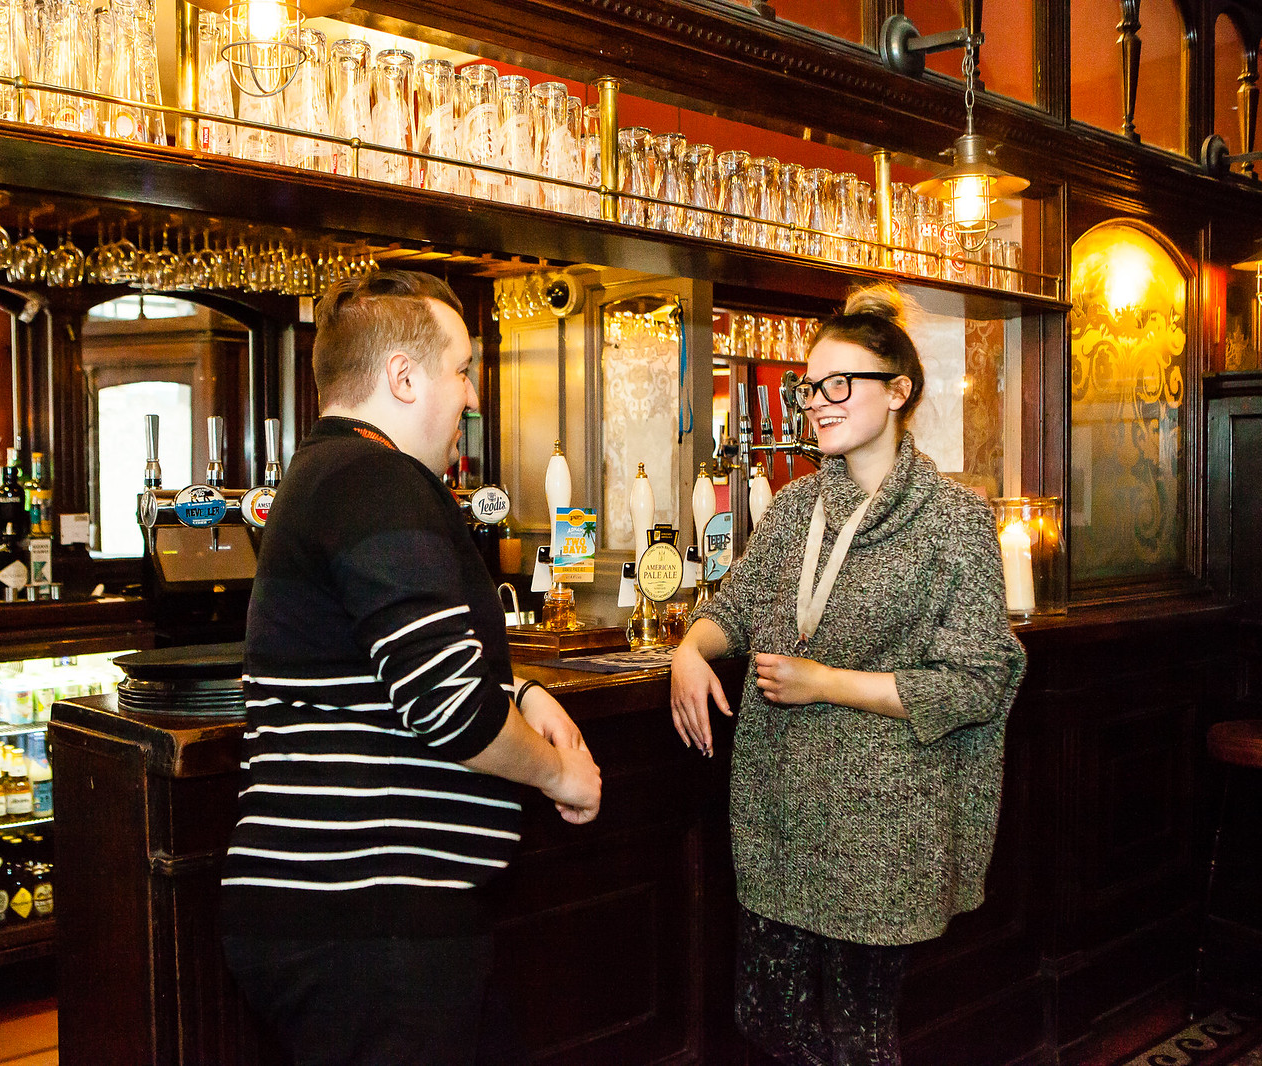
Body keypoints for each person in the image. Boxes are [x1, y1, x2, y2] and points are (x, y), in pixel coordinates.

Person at [222, 270, 602, 1066]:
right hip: (371, 922)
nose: (471, 398)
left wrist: (523, 689)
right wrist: (557, 775)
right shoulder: (377, 479)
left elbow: (384, 658)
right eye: (461, 370)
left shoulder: (329, 473)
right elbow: (450, 709)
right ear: (401, 377)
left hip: (351, 916)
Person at [670, 284, 1026, 1065]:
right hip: (780, 812)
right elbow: (733, 608)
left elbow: (974, 681)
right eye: (809, 387)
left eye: (841, 384)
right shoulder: (798, 507)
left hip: (884, 826)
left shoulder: (954, 519)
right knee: (767, 1021)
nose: (817, 402)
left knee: (860, 1041)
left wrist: (824, 681)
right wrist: (689, 651)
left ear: (898, 391)